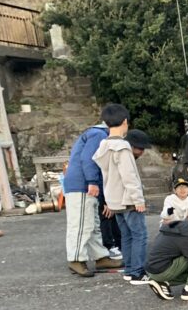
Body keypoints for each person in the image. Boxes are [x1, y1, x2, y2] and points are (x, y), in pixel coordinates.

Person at [63, 103, 127, 277]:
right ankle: (76, 258)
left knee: (92, 224)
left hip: (86, 184)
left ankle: (100, 257)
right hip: (81, 184)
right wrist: (92, 181)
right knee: (81, 223)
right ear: (123, 122)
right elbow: (88, 158)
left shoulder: (97, 133)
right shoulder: (98, 134)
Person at [93, 126, 151, 284]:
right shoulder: (124, 151)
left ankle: (129, 270)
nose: (142, 152)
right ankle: (137, 273)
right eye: (140, 148)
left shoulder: (106, 151)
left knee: (126, 236)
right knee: (139, 235)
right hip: (129, 201)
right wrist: (138, 200)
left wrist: (108, 201)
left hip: (115, 201)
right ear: (132, 145)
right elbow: (129, 178)